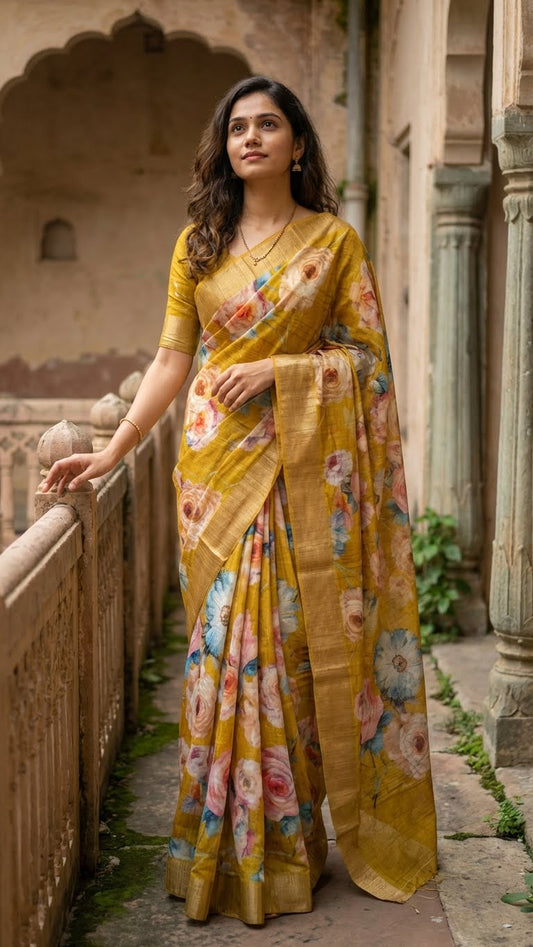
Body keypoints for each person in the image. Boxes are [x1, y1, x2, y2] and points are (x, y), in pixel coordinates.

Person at [43, 75, 437, 925]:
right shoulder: (199, 244)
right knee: (221, 655)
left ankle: (284, 854)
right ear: (223, 147)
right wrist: (109, 451)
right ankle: (218, 852)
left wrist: (286, 371)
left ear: (298, 144)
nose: (249, 138)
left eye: (267, 125)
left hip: (300, 478)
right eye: (236, 128)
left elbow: (369, 363)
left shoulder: (333, 243)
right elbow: (169, 365)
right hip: (214, 474)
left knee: (287, 656)